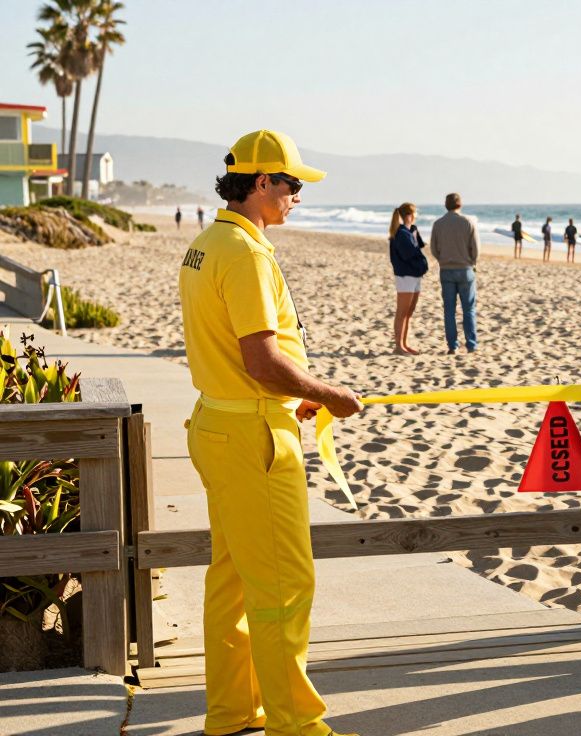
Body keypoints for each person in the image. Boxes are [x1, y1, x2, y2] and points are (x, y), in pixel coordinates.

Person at [178, 129, 363, 736]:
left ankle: (232, 712)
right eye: (292, 184)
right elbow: (260, 358)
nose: (297, 196)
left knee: (232, 580)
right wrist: (325, 392)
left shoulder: (207, 242)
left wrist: (294, 394)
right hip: (252, 432)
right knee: (284, 583)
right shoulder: (247, 253)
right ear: (261, 183)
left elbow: (243, 360)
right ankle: (297, 726)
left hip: (219, 421)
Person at [431, 192, 480, 354]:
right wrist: (472, 262)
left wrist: (443, 260)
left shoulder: (438, 224)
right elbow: (476, 249)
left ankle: (453, 346)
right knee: (469, 309)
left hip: (446, 269)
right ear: (460, 204)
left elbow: (433, 249)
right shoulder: (468, 222)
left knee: (449, 311)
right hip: (465, 269)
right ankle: (471, 344)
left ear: (446, 205)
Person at [388, 202, 428, 354]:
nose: (416, 216)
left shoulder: (409, 231)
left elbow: (419, 246)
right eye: (415, 213)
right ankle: (398, 346)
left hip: (414, 275)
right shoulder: (401, 233)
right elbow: (410, 253)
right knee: (402, 311)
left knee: (409, 312)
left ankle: (404, 344)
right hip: (406, 275)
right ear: (409, 215)